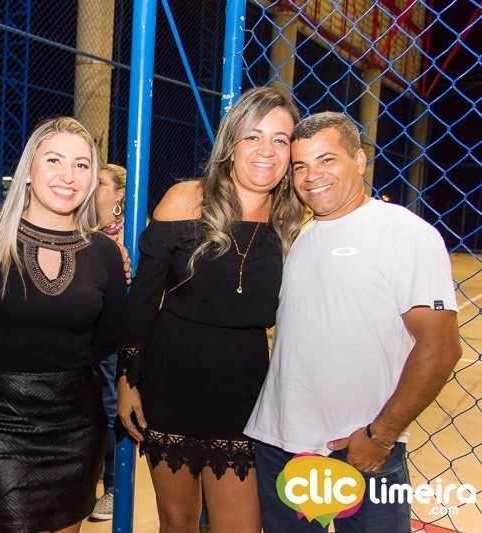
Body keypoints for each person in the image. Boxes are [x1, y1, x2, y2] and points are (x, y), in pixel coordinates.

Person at [244, 112, 462, 532]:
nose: (312, 176)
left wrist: (381, 435)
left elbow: (441, 347)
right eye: (301, 166)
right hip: (282, 444)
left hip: (360, 449)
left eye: (327, 160)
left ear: (360, 160)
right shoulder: (296, 237)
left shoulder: (403, 233)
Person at [117, 85, 304, 532]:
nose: (266, 150)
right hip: (171, 379)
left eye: (280, 140)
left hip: (245, 392)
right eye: (253, 136)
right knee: (177, 522)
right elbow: (142, 300)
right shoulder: (187, 199)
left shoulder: (295, 223)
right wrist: (127, 382)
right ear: (231, 143)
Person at [0, 117, 127, 533]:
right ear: (28, 171)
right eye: (54, 160)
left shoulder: (105, 254)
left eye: (81, 165)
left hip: (76, 425)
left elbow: (108, 340)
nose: (68, 176)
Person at [90, 163, 126, 521]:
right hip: (87, 335)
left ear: (119, 195)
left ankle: (114, 490)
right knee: (92, 407)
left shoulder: (130, 234)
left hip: (113, 337)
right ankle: (97, 473)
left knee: (111, 407)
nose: (92, 187)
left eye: (101, 183)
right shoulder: (87, 229)